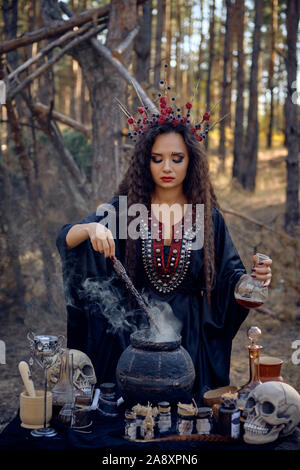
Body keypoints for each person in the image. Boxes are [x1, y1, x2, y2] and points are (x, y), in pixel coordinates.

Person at [56, 104, 272, 405]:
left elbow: (229, 278)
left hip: (192, 344)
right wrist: (92, 228)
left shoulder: (208, 218)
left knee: (188, 417)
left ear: (191, 162)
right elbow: (67, 238)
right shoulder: (126, 211)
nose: (167, 168)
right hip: (132, 342)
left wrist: (252, 281)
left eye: (177, 158)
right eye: (157, 159)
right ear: (145, 162)